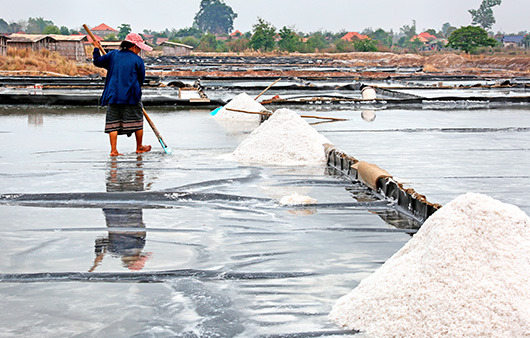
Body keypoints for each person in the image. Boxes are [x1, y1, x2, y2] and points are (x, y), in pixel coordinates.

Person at [93, 33, 153, 156]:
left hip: (113, 95)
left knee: (113, 123)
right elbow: (141, 79)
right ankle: (139, 147)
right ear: (133, 46)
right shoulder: (138, 60)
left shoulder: (113, 55)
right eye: (139, 48)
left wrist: (95, 49)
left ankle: (113, 150)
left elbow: (98, 61)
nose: (139, 50)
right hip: (131, 95)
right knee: (137, 121)